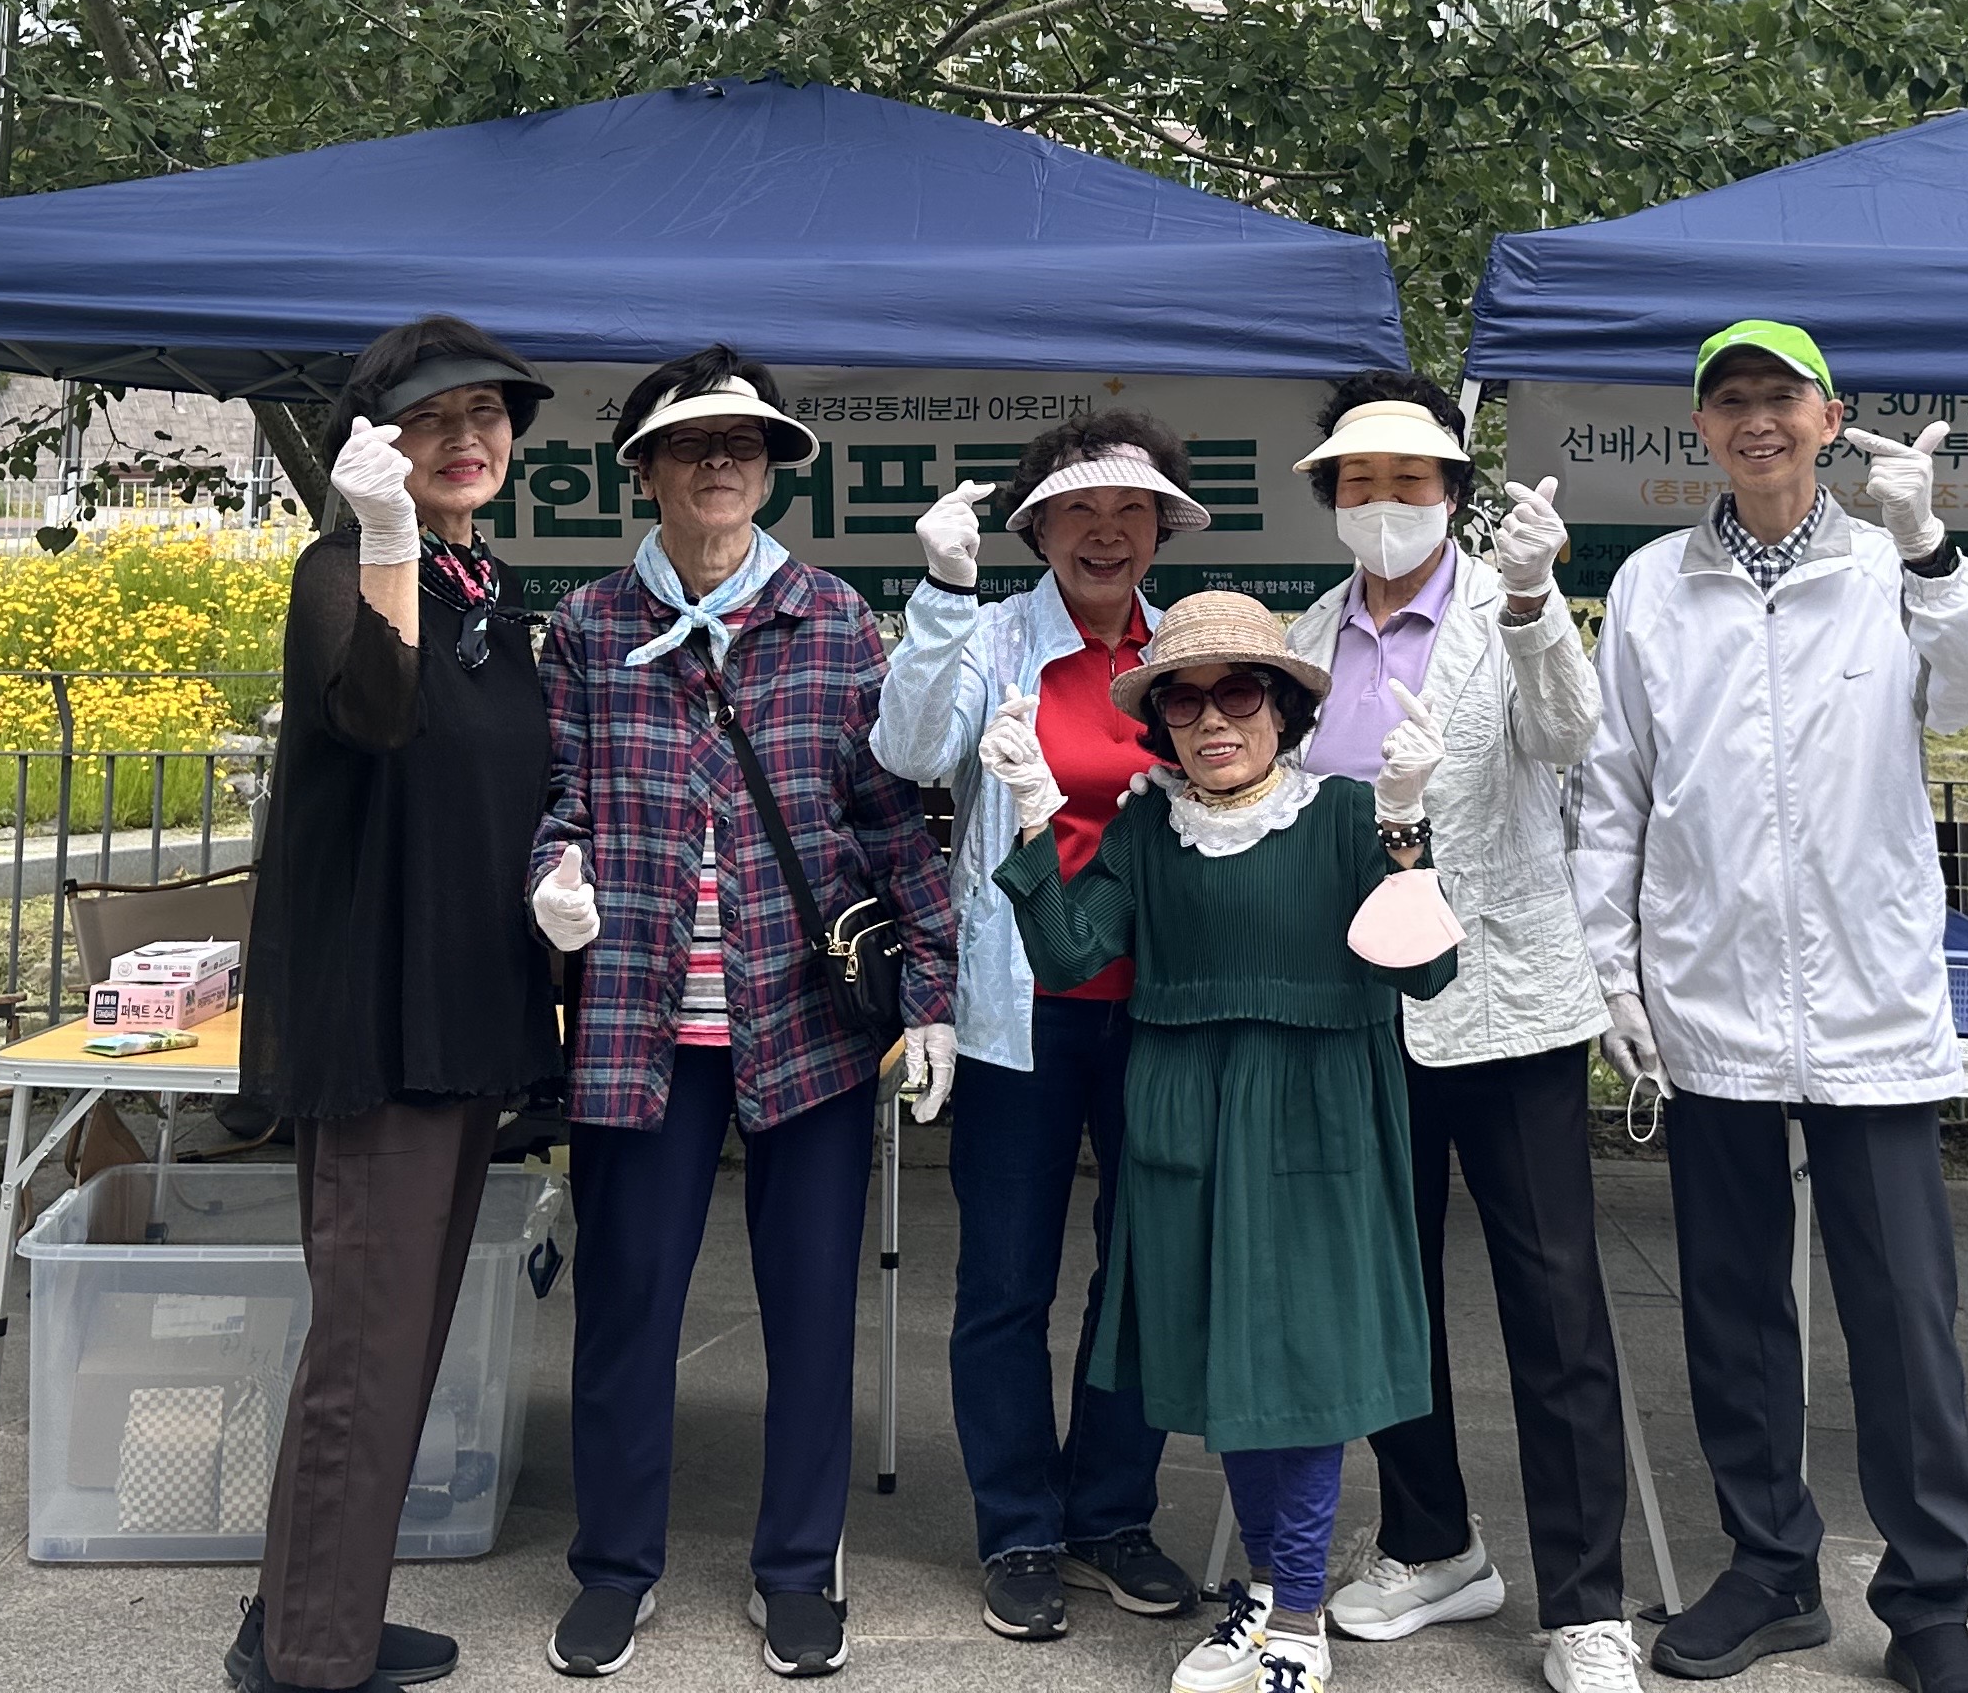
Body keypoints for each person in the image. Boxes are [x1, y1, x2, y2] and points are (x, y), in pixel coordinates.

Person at [1575, 320, 1968, 1693]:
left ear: (1830, 419)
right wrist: (1613, 968)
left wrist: (1933, 550)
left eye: (1781, 396)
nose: (1757, 420)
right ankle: (1771, 1567)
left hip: (1868, 1002)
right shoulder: (1654, 584)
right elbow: (1616, 789)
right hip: (1709, 993)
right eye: (1730, 400)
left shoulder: (1887, 568)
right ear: (1702, 428)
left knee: (1903, 1313)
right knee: (1731, 1306)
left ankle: (1931, 1603)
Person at [530, 347, 960, 1684]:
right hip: (637, 1018)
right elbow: (557, 793)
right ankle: (614, 1566)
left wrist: (932, 993)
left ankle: (797, 1569)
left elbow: (889, 813)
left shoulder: (832, 616)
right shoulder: (589, 624)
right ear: (645, 469)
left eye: (745, 444)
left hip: (806, 1016)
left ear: (772, 469)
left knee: (812, 1307)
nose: (720, 463)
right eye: (692, 443)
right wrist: (553, 874)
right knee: (625, 1303)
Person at [984, 589, 1456, 1693]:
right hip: (1185, 1118)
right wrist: (1033, 818)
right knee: (1229, 1365)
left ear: (1284, 708)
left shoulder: (1345, 816)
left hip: (1318, 1113)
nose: (1212, 720)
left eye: (1239, 693)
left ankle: (1295, 1616)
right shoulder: (1150, 826)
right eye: (1183, 700)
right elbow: (1068, 956)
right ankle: (1271, 1595)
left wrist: (1405, 827)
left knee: (1303, 1366)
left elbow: (1428, 972)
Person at [1278, 377, 1643, 1693]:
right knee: (1388, 1294)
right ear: (1332, 497)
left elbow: (1569, 735)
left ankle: (1585, 1602)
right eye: (1360, 482)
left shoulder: (1506, 611)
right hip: (1357, 1012)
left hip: (1509, 1009)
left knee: (1555, 1305)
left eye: (1410, 480)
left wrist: (1539, 604)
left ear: (1452, 492)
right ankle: (1432, 1542)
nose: (1384, 503)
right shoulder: (1306, 635)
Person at [231, 316, 563, 1693]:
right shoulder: (343, 569)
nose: (467, 438)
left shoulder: (487, 583)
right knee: (366, 1345)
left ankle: (309, 1611)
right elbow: (375, 710)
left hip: (465, 1009)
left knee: (403, 1335)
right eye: (433, 417)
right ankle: (311, 1653)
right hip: (379, 1017)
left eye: (487, 414)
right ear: (375, 443)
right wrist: (378, 537)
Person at [874, 412, 1216, 1641]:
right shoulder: (996, 636)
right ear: (1037, 530)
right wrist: (941, 594)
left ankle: (1110, 1515)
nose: (1106, 533)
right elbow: (910, 748)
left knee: (1148, 1273)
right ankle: (1018, 1525)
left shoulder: (1190, 647)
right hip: (1019, 1009)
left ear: (1162, 529)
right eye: (1080, 511)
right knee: (1007, 1281)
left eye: (1131, 512)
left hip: (1165, 1007)